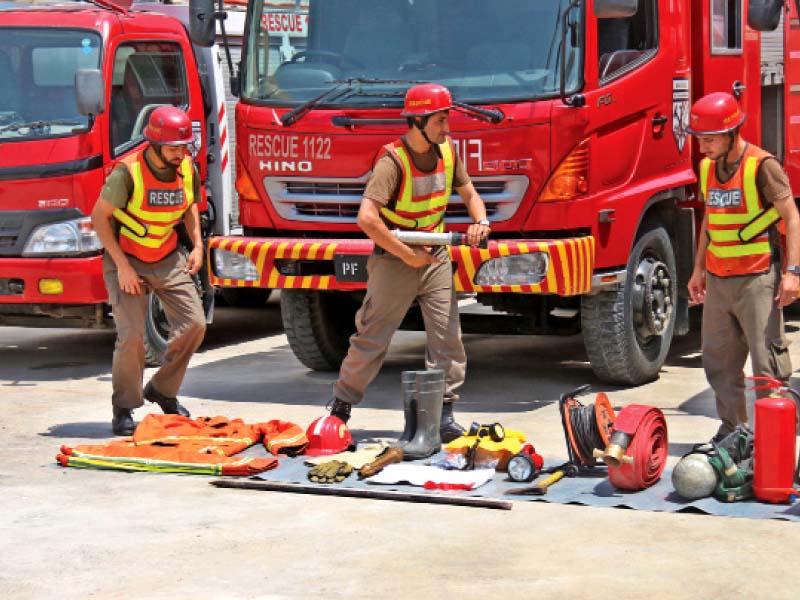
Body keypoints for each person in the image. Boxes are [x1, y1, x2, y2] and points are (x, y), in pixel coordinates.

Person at [327, 83, 491, 442]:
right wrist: (406, 255)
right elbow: (366, 219)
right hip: (395, 257)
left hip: (435, 256)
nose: (447, 129)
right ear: (417, 121)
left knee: (447, 339)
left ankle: (444, 415)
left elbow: (470, 193)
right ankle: (340, 408)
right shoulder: (392, 161)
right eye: (440, 121)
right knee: (372, 336)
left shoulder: (448, 151)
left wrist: (481, 222)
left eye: (447, 120)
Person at [686, 92, 800, 441]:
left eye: (709, 139)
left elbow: (792, 217)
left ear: (732, 132)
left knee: (767, 364)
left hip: (757, 279)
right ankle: (735, 431)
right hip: (719, 280)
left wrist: (793, 273)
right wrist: (698, 270)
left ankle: (773, 434)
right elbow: (710, 219)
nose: (703, 146)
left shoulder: (763, 166)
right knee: (719, 362)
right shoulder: (707, 167)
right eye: (699, 139)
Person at [91, 106, 206, 436]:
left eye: (184, 146)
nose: (180, 153)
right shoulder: (127, 172)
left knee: (194, 324)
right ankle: (124, 407)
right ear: (154, 145)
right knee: (132, 338)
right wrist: (124, 268)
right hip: (125, 258)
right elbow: (99, 218)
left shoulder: (185, 167)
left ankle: (162, 389)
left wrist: (197, 246)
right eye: (173, 147)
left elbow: (190, 208)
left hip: (167, 256)